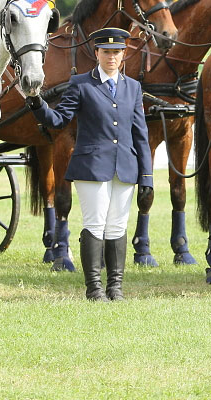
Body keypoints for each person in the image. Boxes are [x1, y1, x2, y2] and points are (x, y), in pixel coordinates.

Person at [26, 27, 151, 301]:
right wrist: (37, 104)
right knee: (95, 224)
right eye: (106, 52)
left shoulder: (133, 87)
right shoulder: (81, 83)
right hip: (92, 166)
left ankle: (115, 287)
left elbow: (140, 134)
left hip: (126, 166)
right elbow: (59, 120)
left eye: (116, 52)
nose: (111, 57)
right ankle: (94, 287)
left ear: (123, 55)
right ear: (96, 53)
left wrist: (148, 177)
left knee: (117, 226)